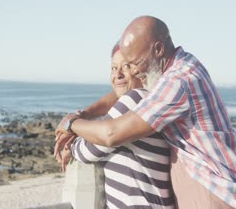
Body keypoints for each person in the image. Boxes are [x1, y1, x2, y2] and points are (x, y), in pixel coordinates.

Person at [56, 16, 236, 209]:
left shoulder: (177, 82)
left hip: (215, 191)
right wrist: (85, 114)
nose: (133, 71)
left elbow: (111, 134)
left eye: (134, 63)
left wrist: (70, 125)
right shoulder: (184, 65)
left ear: (159, 49)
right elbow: (125, 90)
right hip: (219, 187)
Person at [68, 43, 174, 208]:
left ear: (140, 68)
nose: (117, 74)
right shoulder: (148, 100)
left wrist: (70, 136)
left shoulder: (136, 99)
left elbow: (88, 151)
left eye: (126, 66)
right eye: (113, 68)